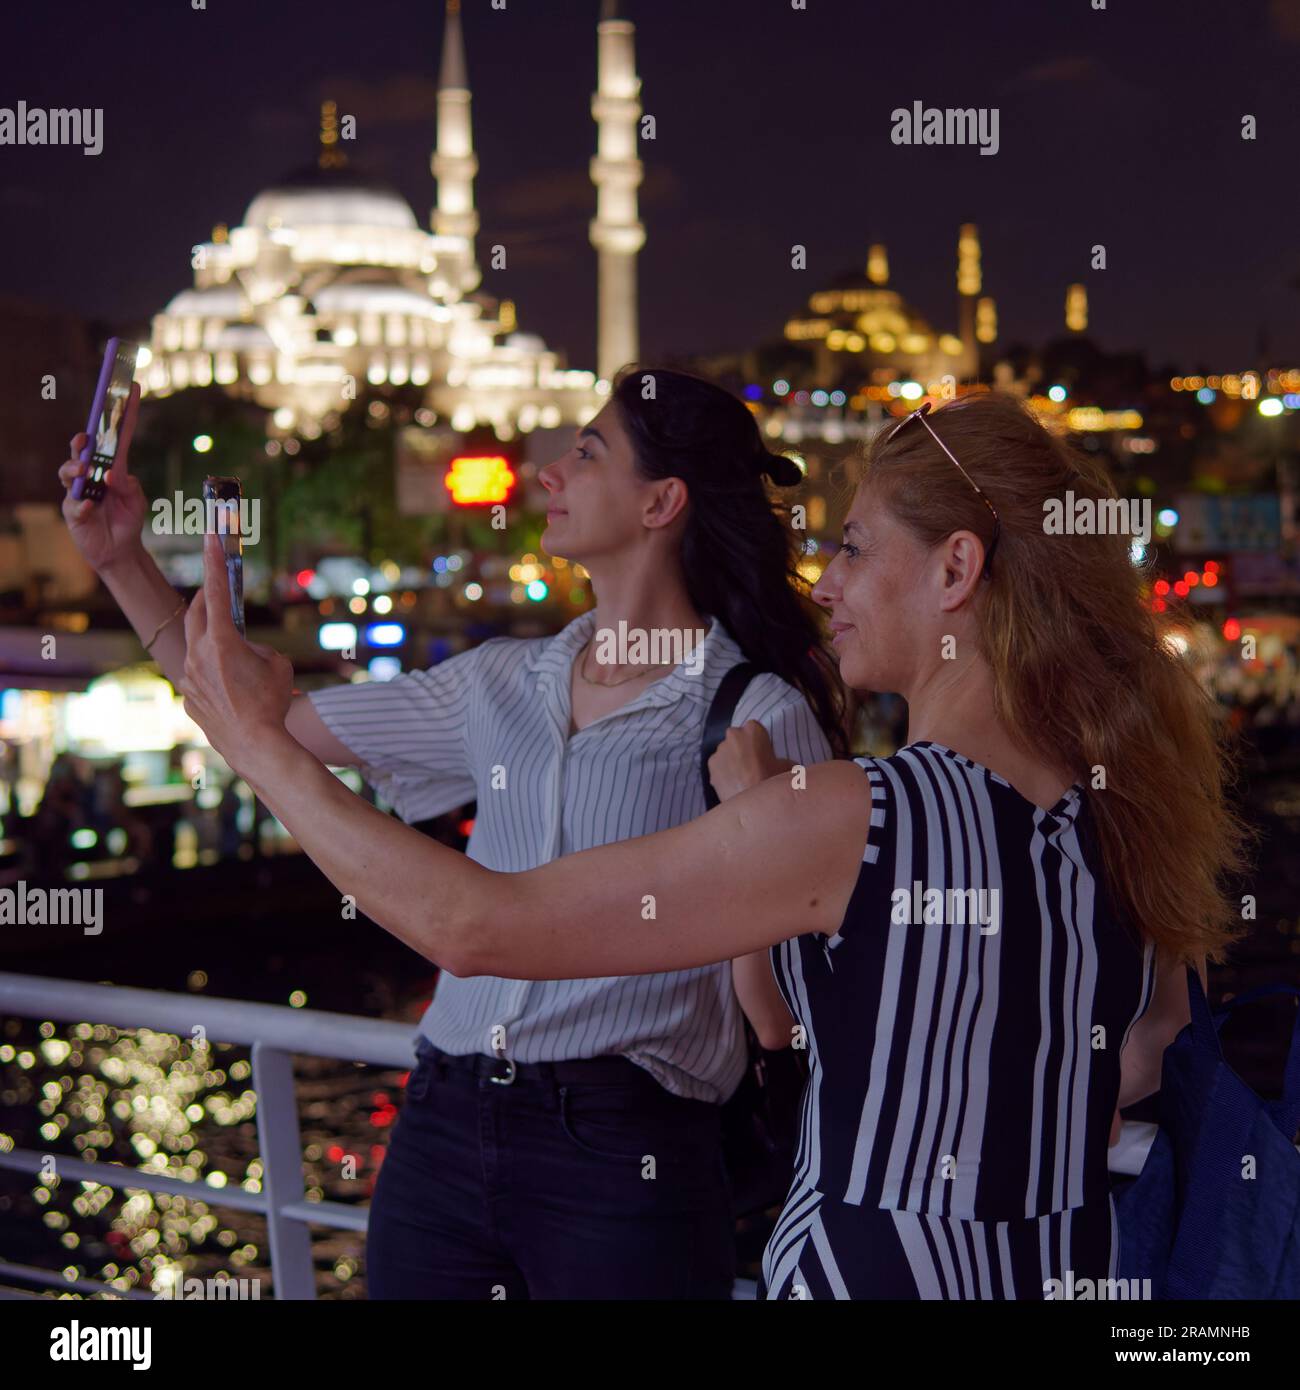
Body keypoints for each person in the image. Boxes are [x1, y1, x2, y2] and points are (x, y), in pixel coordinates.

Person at [171, 389, 1250, 1300]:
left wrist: (258, 749)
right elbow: (1135, 1063)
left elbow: (474, 923)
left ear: (955, 570)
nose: (823, 581)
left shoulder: (851, 814)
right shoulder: (1120, 812)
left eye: (854, 545)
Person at [59, 367, 846, 1299]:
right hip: (443, 1121)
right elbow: (255, 729)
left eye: (587, 453)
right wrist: (122, 562)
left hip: (626, 1148)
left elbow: (793, 1000)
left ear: (661, 502)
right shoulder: (499, 683)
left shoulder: (754, 718)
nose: (548, 473)